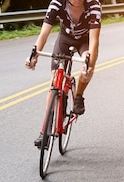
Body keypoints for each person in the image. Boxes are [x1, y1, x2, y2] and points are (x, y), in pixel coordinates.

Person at [25, 0, 102, 147]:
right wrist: (34, 56)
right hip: (65, 40)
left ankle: (78, 96)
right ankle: (45, 131)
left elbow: (94, 40)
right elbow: (43, 34)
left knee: (88, 63)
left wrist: (88, 63)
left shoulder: (94, 5)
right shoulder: (57, 3)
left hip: (84, 41)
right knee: (55, 77)